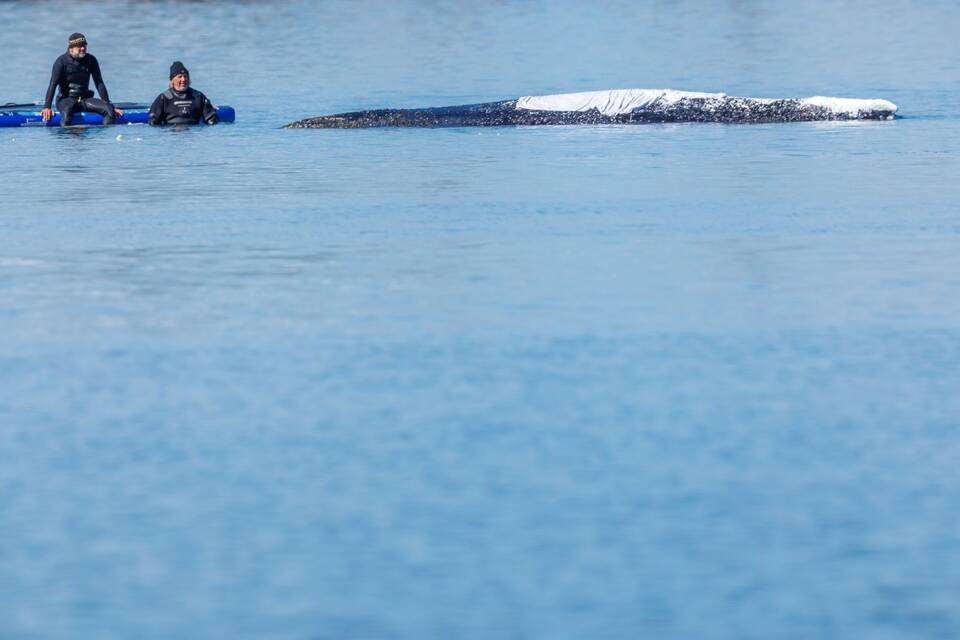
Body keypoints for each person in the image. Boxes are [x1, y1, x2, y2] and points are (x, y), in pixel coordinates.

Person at [41, 33, 123, 126]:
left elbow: (99, 83)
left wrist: (108, 104)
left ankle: (102, 139)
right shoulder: (61, 62)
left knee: (109, 111)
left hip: (84, 99)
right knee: (67, 114)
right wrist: (47, 107)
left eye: (84, 45)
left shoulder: (91, 60)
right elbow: (53, 84)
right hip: (66, 99)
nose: (83, 48)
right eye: (79, 46)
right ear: (71, 49)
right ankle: (67, 139)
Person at [148, 61, 218, 126]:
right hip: (170, 134)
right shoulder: (164, 98)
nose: (183, 79)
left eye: (185, 76)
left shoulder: (198, 96)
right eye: (180, 76)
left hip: (194, 134)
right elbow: (153, 122)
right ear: (172, 80)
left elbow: (211, 118)